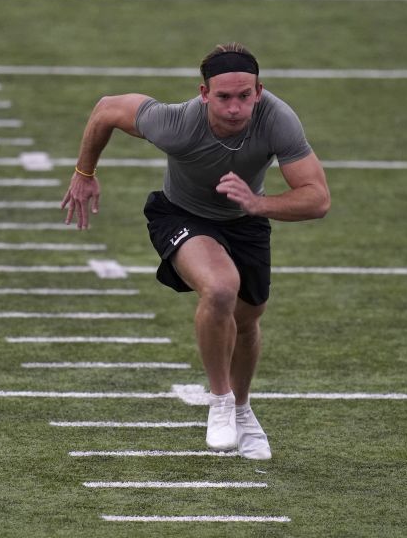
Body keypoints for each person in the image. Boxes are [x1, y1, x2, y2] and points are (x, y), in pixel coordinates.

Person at [59, 42, 330, 460]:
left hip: (246, 219)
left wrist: (260, 204)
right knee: (220, 288)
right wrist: (84, 173)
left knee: (247, 319)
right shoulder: (176, 123)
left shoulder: (278, 119)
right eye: (223, 97)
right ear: (204, 94)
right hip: (181, 214)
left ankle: (242, 409)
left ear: (259, 92)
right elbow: (107, 109)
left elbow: (317, 199)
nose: (235, 107)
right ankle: (220, 402)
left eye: (245, 96)